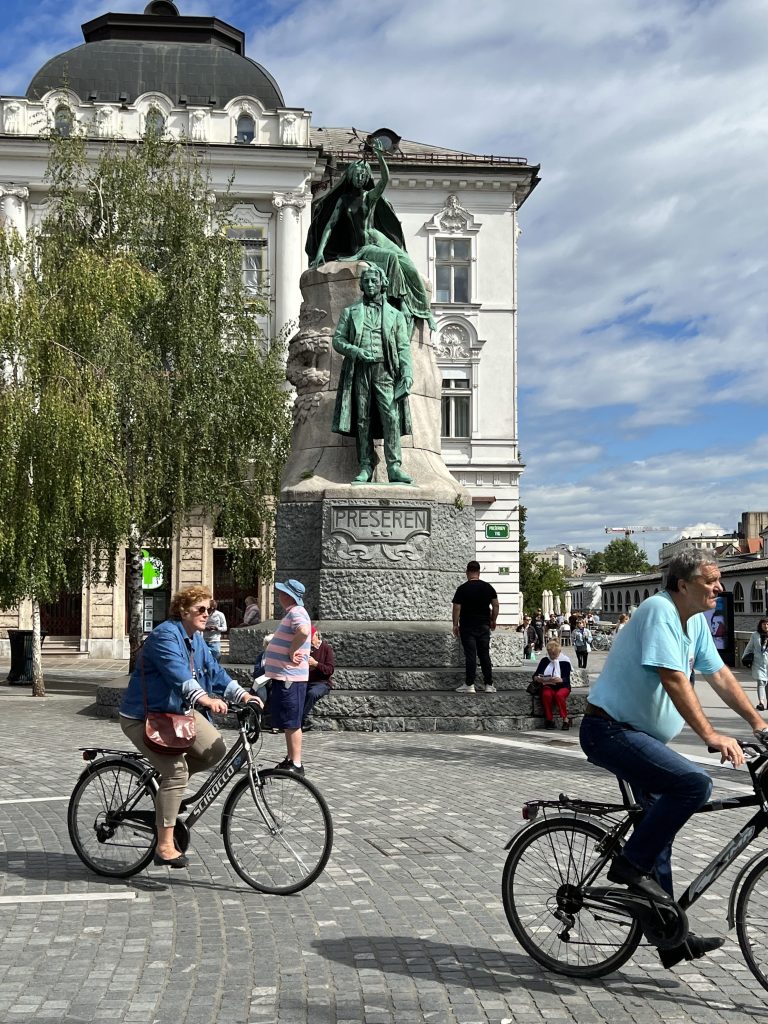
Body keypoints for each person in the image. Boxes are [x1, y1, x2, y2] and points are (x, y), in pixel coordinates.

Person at [579, 549, 768, 970]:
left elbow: (718, 674)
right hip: (610, 731)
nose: (719, 588)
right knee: (693, 785)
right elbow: (673, 677)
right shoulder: (659, 609)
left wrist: (760, 725)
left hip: (639, 735)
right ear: (683, 584)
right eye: (710, 580)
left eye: (720, 580)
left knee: (658, 836)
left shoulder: (694, 621)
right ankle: (628, 867)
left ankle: (668, 937)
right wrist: (711, 735)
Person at [119, 585, 262, 867]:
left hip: (178, 714)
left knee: (214, 749)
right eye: (201, 609)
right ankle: (164, 845)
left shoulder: (196, 639)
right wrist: (206, 700)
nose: (207, 614)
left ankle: (168, 790)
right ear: (183, 610)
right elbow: (178, 675)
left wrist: (243, 695)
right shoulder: (165, 636)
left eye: (210, 609)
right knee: (176, 771)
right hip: (144, 717)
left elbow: (215, 672)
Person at [306, 140, 437, 332]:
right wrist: (320, 252)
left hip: (379, 238)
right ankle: (400, 302)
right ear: (350, 176)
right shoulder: (344, 201)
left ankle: (424, 311)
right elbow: (330, 226)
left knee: (408, 264)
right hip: (365, 246)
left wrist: (379, 157)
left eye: (363, 175)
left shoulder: (369, 196)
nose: (360, 177)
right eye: (356, 174)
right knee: (391, 258)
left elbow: (384, 181)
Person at [332, 264, 414, 484]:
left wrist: (407, 373)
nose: (369, 285)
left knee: (391, 418)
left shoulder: (395, 316)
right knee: (362, 419)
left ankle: (394, 466)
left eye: (374, 281)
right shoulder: (351, 312)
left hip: (385, 370)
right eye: (366, 281)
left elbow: (403, 347)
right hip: (360, 370)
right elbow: (338, 340)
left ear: (382, 284)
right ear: (362, 284)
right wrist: (356, 351)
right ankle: (366, 465)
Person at [263, 578, 311, 775]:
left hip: (290, 677)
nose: (278, 595)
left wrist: (292, 651)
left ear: (287, 595)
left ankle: (296, 763)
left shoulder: (297, 612)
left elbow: (304, 631)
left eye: (281, 592)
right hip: (286, 676)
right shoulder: (293, 612)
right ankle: (291, 758)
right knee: (288, 721)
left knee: (292, 721)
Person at [452, 561, 499, 693]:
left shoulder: (462, 588)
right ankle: (489, 684)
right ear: (479, 572)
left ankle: (469, 684)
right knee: (484, 654)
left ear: (467, 572)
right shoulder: (488, 588)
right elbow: (495, 605)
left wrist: (455, 624)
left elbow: (457, 607)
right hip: (484, 625)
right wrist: (493, 620)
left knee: (471, 655)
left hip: (467, 626)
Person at [533, 639, 572, 730]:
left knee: (559, 695)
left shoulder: (565, 661)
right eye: (551, 654)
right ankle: (549, 720)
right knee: (546, 694)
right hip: (548, 685)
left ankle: (565, 719)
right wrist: (538, 678)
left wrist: (560, 680)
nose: (553, 657)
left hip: (563, 686)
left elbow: (567, 679)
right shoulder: (545, 660)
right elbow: (536, 674)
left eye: (555, 654)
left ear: (559, 652)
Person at [302, 627, 336, 731]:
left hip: (322, 683)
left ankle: (300, 721)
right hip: (305, 681)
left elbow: (329, 670)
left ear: (316, 635)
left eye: (310, 637)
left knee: (312, 693)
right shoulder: (304, 648)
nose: (308, 640)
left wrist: (316, 664)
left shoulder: (326, 648)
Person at [742, 618, 768, 710]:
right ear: (760, 625)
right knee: (761, 682)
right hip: (758, 663)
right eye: (764, 624)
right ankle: (761, 702)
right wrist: (744, 658)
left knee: (767, 683)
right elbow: (749, 648)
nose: (766, 626)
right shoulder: (755, 635)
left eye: (767, 624)